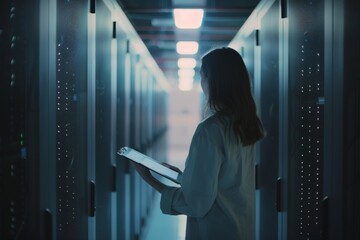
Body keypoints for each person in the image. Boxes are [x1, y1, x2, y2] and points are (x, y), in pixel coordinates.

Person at [131, 47, 265, 240]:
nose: (202, 83)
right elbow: (224, 181)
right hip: (240, 228)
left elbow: (196, 203)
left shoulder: (210, 129)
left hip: (215, 230)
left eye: (202, 76)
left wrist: (149, 178)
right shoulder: (246, 124)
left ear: (213, 81)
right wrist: (181, 177)